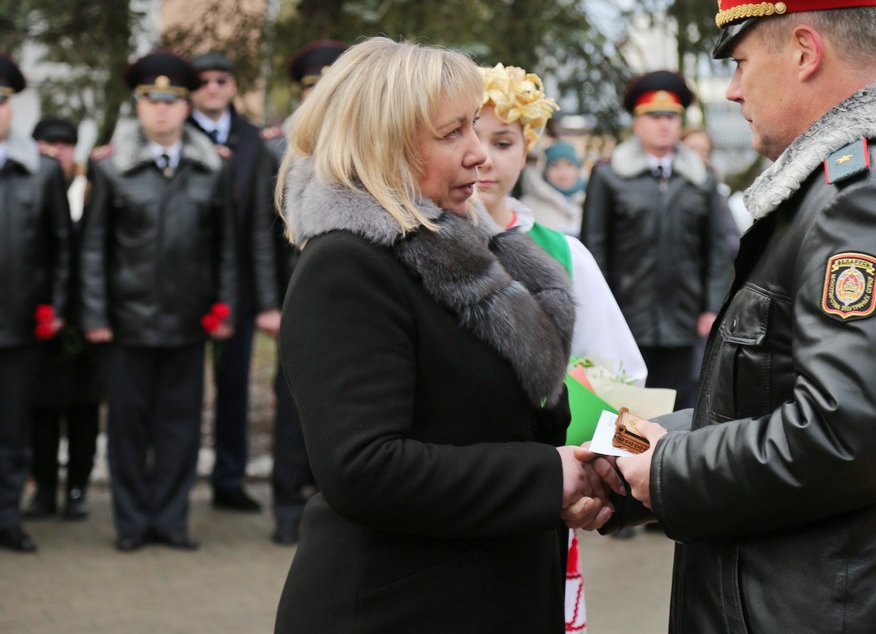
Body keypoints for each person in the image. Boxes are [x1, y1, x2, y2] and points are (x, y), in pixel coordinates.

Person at [603, 0, 876, 632]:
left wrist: (666, 471)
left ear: (806, 52)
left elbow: (847, 439)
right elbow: (774, 403)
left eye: (740, 60)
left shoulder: (865, 202)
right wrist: (629, 450)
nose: (730, 89)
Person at [272, 38, 621, 633]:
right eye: (453, 132)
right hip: (398, 608)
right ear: (383, 143)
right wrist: (547, 476)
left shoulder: (469, 251)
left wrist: (610, 463)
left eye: (479, 132)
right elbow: (364, 468)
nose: (480, 155)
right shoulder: (348, 266)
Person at [475, 61, 648, 631]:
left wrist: (604, 479)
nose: (485, 159)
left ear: (527, 149)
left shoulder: (563, 254)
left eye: (503, 141)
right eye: (468, 136)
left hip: (545, 493)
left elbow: (625, 387)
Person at [80, 51, 238, 551]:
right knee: (128, 429)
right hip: (126, 323)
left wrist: (225, 307)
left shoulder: (212, 169)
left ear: (186, 106)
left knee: (180, 428)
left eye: (171, 101)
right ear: (139, 106)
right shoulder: (111, 169)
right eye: (151, 101)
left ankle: (171, 520)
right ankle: (131, 524)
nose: (162, 112)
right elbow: (93, 247)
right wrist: (96, 313)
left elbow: (225, 247)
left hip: (188, 321)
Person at [580, 70, 733, 410]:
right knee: (626, 407)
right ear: (636, 122)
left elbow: (716, 248)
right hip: (625, 314)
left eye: (671, 117)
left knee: (680, 405)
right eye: (653, 116)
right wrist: (601, 309)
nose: (663, 124)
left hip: (684, 315)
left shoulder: (700, 178)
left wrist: (711, 307)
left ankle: (669, 462)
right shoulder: (609, 175)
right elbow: (594, 247)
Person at [251, 39, 347, 545]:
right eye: (313, 89)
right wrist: (268, 303)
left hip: (353, 302)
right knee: (291, 406)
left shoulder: (363, 146)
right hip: (295, 296)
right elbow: (262, 238)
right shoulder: (275, 148)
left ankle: (328, 498)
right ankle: (287, 507)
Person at [0, 57, 73, 552]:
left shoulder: (42, 171)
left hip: (18, 325)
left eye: (2, 101)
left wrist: (56, 308)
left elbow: (61, 246)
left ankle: (8, 517)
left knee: (11, 430)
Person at [189, 51, 267, 513]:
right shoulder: (177, 133)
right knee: (181, 388)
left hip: (238, 284)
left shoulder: (255, 141)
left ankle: (228, 477)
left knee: (235, 384)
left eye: (222, 80)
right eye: (203, 82)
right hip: (184, 282)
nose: (213, 88)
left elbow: (261, 223)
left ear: (234, 87)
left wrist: (264, 295)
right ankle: (171, 478)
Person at [26, 116, 99, 521]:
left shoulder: (92, 188)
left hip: (85, 319)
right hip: (41, 318)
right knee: (41, 409)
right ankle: (44, 489)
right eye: (46, 143)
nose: (56, 151)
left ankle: (77, 487)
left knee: (84, 408)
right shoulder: (28, 186)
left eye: (65, 144)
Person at [520, 141, 587, 236]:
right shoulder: (528, 206)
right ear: (545, 170)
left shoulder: (590, 200)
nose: (563, 172)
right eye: (555, 166)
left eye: (569, 165)